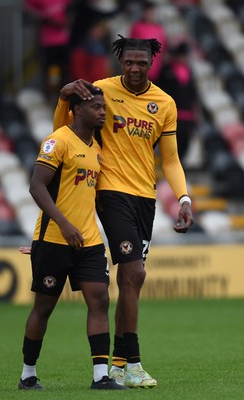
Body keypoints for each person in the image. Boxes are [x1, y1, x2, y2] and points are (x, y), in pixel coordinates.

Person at [52, 35, 194, 389]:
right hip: (110, 190)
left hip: (144, 198)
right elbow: (61, 130)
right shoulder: (100, 90)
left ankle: (118, 366)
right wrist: (62, 97)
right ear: (121, 62)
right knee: (135, 273)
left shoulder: (164, 103)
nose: (134, 68)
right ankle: (133, 362)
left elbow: (171, 159)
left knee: (132, 278)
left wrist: (184, 199)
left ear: (151, 64)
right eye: (128, 62)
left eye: (140, 63)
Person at [18, 85, 127, 391]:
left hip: (89, 241)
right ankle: (28, 374)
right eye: (96, 107)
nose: (102, 112)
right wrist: (64, 225)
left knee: (100, 299)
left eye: (104, 108)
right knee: (44, 308)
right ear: (77, 110)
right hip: (54, 238)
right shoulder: (58, 141)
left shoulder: (96, 148)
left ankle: (100, 377)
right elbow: (37, 187)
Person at [156, 40, 201, 162]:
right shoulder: (166, 70)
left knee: (184, 145)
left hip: (187, 115)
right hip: (172, 114)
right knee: (170, 146)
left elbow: (193, 93)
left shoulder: (189, 72)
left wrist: (196, 111)